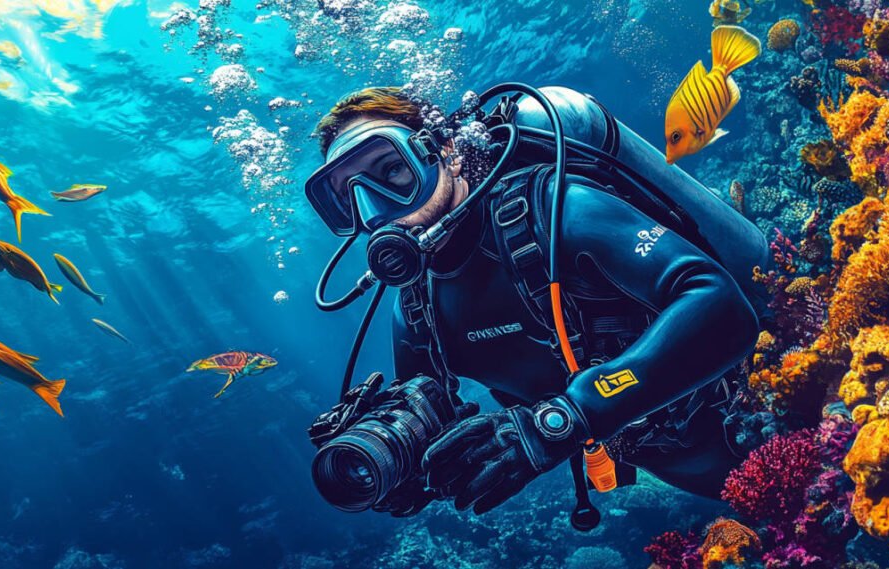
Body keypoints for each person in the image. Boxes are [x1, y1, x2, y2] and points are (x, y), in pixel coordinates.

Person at [304, 85, 762, 521]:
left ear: (446, 152)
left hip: (770, 395)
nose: (378, 211)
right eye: (352, 197)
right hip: (697, 474)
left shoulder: (553, 209)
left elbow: (723, 307)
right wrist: (399, 460)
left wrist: (566, 417)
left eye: (392, 171)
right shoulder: (416, 309)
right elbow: (434, 422)